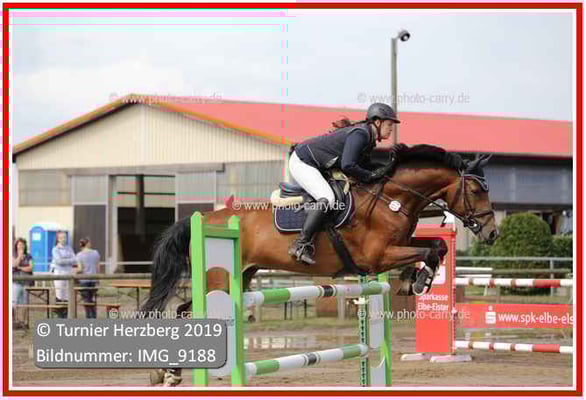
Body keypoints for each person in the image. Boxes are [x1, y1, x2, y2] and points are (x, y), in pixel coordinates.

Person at [287, 102, 402, 265]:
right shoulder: (360, 135)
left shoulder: (368, 138)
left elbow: (364, 165)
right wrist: (369, 176)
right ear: (377, 122)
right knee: (328, 198)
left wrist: (387, 169)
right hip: (302, 161)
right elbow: (348, 165)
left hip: (317, 164)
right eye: (389, 124)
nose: (391, 129)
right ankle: (300, 244)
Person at [51, 231, 76, 318]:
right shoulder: (55, 249)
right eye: (61, 237)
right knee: (60, 293)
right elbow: (59, 261)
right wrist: (69, 260)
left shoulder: (69, 248)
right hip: (59, 273)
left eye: (65, 237)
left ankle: (66, 314)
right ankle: (60, 315)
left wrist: (64, 260)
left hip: (68, 273)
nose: (64, 239)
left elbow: (75, 260)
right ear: (58, 239)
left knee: (67, 294)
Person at [74, 237, 100, 319]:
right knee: (91, 299)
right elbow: (97, 267)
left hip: (84, 280)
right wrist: (98, 279)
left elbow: (80, 269)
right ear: (88, 243)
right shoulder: (95, 253)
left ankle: (88, 316)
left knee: (86, 300)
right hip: (93, 279)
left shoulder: (79, 255)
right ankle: (93, 316)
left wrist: (73, 271)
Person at [12, 238, 33, 328]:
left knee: (25, 303)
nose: (21, 246)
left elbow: (30, 268)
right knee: (13, 302)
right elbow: (13, 265)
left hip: (26, 283)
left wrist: (20, 268)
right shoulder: (13, 255)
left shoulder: (29, 256)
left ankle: (24, 322)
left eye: (23, 245)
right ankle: (14, 321)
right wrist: (19, 257)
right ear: (16, 246)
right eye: (19, 244)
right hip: (15, 282)